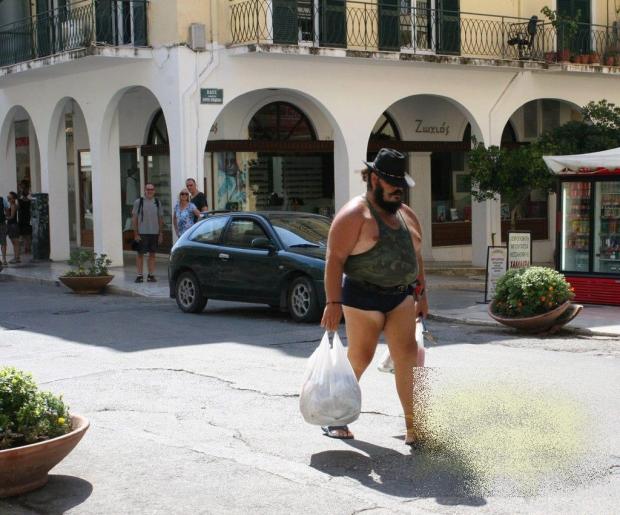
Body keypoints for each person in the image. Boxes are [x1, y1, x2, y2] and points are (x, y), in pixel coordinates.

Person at [320, 148, 429, 446]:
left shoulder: (406, 215)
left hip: (401, 297)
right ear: (375, 179)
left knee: (407, 356)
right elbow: (334, 259)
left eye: (401, 184)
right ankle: (336, 417)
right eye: (393, 184)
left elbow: (416, 256)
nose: (399, 190)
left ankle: (414, 426)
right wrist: (333, 302)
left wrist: (422, 294)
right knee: (360, 356)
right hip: (362, 296)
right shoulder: (354, 214)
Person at [132, 183, 164, 283]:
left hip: (154, 233)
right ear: (145, 190)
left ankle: (151, 275)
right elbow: (134, 218)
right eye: (148, 189)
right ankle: (139, 275)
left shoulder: (157, 202)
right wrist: (136, 233)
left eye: (151, 189)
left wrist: (160, 233)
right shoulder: (138, 202)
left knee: (152, 254)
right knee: (140, 254)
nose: (150, 191)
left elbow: (160, 218)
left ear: (154, 191)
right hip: (142, 233)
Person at [17, 180, 32, 255]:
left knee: (27, 234)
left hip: (27, 217)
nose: (21, 187)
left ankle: (27, 249)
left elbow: (27, 200)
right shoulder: (20, 195)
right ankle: (24, 249)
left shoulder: (28, 195)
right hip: (22, 217)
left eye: (22, 185)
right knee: (22, 234)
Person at [6, 192, 21, 264]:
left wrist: (5, 218)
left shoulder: (13, 205)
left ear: (13, 199)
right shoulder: (14, 205)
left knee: (15, 242)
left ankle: (17, 258)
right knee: (15, 242)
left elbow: (12, 216)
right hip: (13, 225)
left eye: (10, 197)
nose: (8, 198)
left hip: (12, 225)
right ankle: (16, 257)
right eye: (8, 197)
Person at [0, 195, 8, 266]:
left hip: (2, 224)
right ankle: (4, 259)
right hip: (2, 223)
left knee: (3, 242)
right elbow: (7, 211)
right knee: (3, 242)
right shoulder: (3, 200)